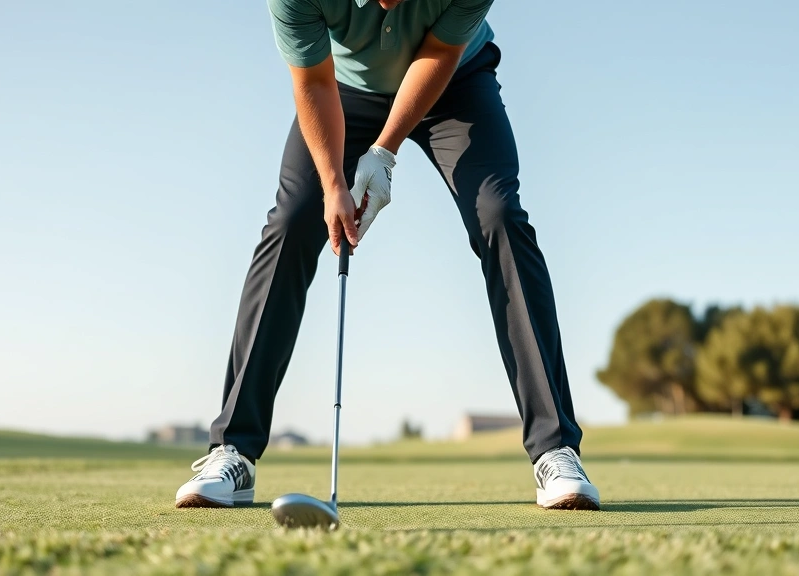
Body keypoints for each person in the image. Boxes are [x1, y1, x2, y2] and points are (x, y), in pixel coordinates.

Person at [175, 0, 600, 512]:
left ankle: (555, 449)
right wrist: (333, 183)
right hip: (342, 91)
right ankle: (234, 451)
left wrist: (384, 150)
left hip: (455, 82)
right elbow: (314, 81)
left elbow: (440, 51)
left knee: (499, 215)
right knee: (291, 222)